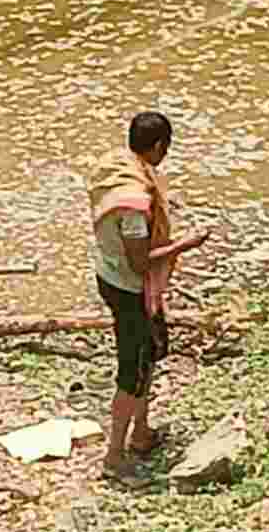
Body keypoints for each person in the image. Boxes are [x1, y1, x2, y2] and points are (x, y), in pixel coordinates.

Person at [87, 112, 210, 487]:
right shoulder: (134, 206)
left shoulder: (117, 166)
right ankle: (114, 457)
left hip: (109, 274)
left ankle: (141, 433)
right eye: (166, 148)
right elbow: (140, 262)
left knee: (150, 356)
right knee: (132, 373)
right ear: (158, 146)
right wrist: (184, 245)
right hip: (130, 289)